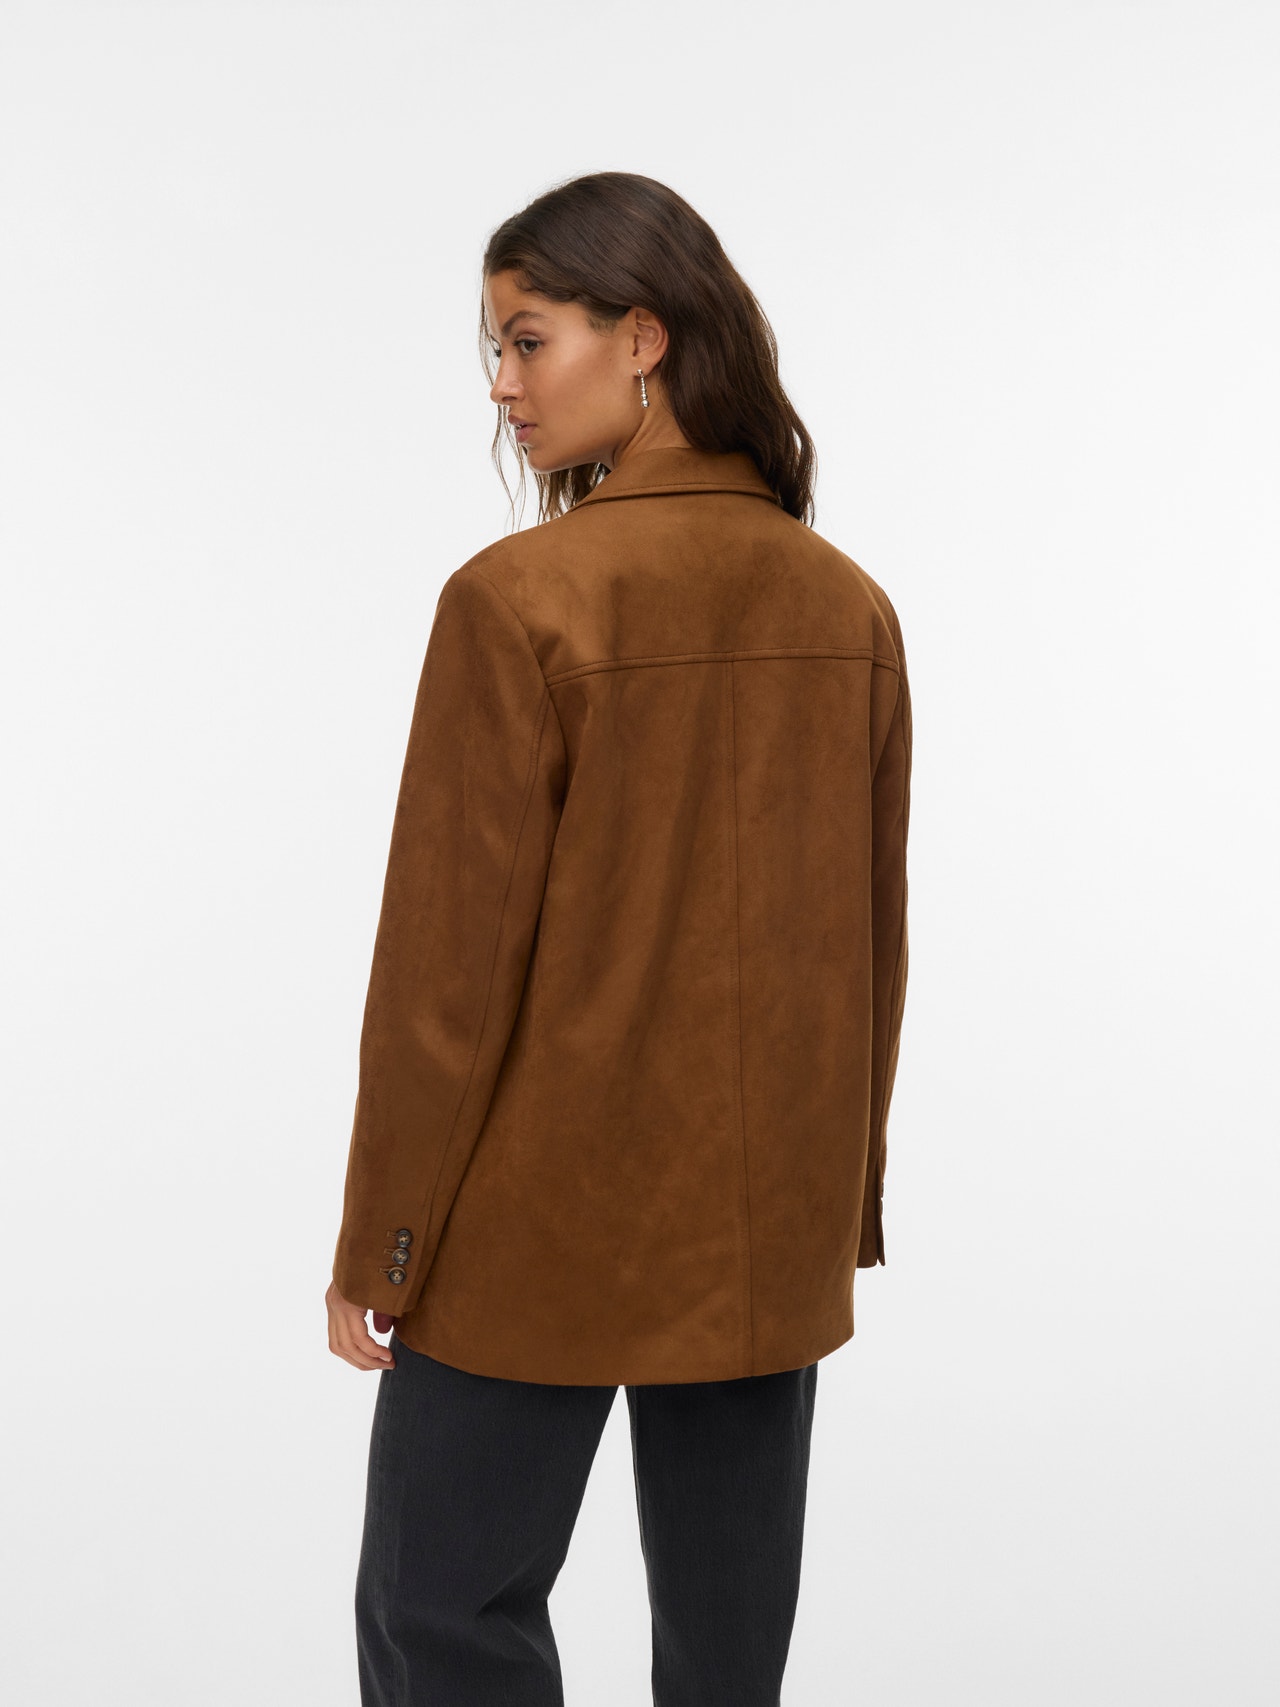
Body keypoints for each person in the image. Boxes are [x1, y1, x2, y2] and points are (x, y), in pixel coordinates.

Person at [325, 170, 912, 1706]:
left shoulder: (517, 602)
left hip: (533, 1221)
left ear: (643, 339)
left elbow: (444, 982)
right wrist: (836, 1205)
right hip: (761, 1225)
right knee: (729, 1653)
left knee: (440, 1615)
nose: (503, 386)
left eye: (528, 341)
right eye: (495, 352)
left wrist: (383, 1239)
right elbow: (870, 954)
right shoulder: (847, 606)